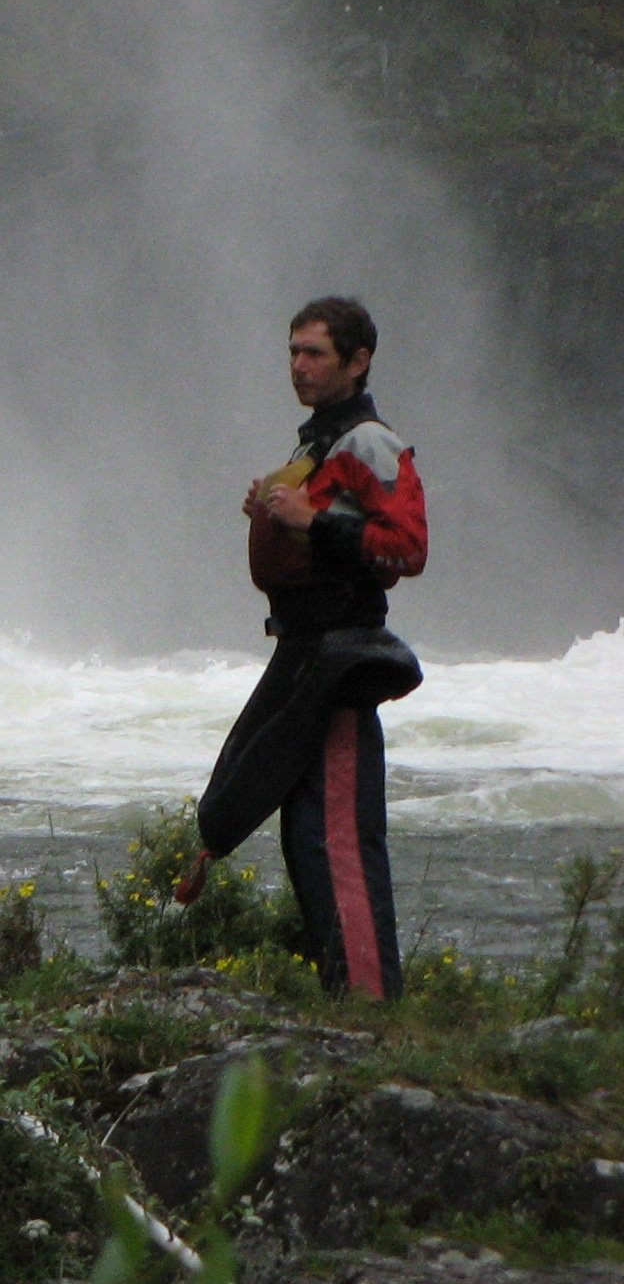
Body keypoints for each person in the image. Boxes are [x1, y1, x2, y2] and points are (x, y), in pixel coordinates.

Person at [172, 296, 429, 997]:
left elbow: (406, 550)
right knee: (309, 837)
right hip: (307, 654)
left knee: (338, 839)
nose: (299, 365)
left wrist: (310, 520)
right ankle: (349, 997)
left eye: (315, 352)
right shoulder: (316, 446)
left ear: (358, 360)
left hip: (342, 662)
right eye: (293, 351)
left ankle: (371, 1008)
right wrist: (276, 509)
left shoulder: (371, 443)